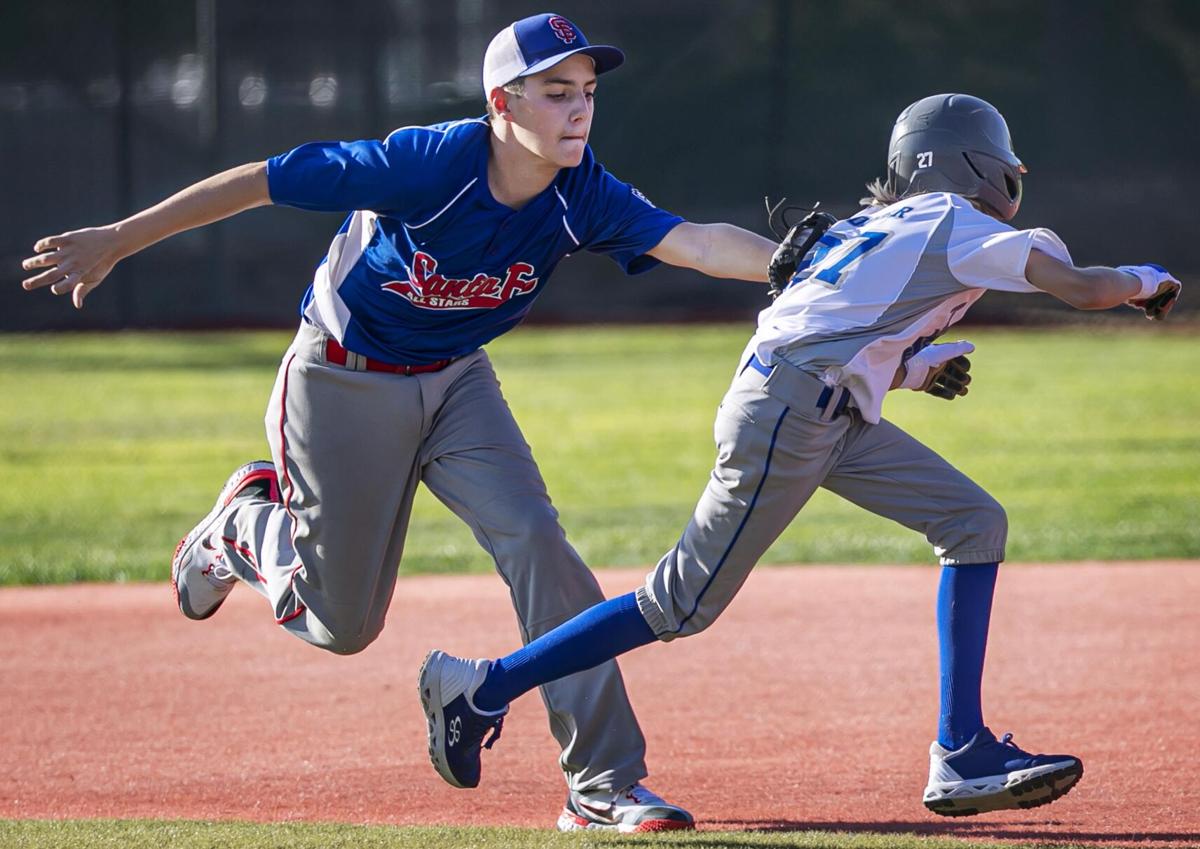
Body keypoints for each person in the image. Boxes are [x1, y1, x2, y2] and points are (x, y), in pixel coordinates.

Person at [19, 13, 782, 834]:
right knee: (340, 624)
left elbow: (696, 242)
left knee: (537, 539)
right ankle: (243, 525)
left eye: (588, 92)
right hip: (342, 379)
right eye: (556, 92)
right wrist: (119, 239)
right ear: (503, 102)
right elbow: (261, 179)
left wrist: (801, 263)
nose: (579, 110)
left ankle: (602, 783)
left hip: (458, 381)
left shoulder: (581, 191)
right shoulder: (430, 163)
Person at [417, 92, 1183, 822]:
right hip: (794, 412)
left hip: (813, 404)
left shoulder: (877, 225)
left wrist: (909, 369)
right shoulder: (956, 222)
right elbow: (1082, 288)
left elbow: (820, 324)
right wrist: (1146, 282)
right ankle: (481, 687)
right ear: (967, 162)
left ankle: (961, 750)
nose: (1011, 173)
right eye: (1000, 159)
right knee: (678, 603)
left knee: (972, 519)